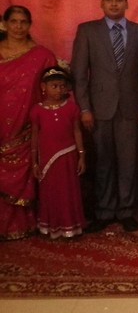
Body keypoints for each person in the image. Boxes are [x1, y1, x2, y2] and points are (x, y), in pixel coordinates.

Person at [71, 0, 138, 233]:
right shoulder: (87, 31)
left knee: (128, 163)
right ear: (102, 3)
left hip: (130, 107)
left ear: (127, 3)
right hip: (99, 108)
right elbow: (79, 74)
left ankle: (126, 211)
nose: (114, 4)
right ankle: (104, 211)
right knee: (103, 162)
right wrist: (84, 108)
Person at [0, 5, 57, 240]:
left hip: (26, 125)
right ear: (4, 24)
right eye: (13, 21)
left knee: (25, 172)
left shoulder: (42, 56)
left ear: (30, 25)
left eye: (23, 22)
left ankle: (22, 224)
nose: (18, 26)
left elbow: (52, 92)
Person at [30, 67, 86, 239]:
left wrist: (82, 155)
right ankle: (52, 226)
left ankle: (70, 227)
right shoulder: (37, 110)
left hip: (68, 156)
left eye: (62, 86)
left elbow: (77, 131)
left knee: (68, 191)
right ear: (43, 87)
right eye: (54, 86)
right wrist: (34, 162)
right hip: (47, 158)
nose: (59, 90)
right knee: (51, 192)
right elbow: (35, 136)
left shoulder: (71, 108)